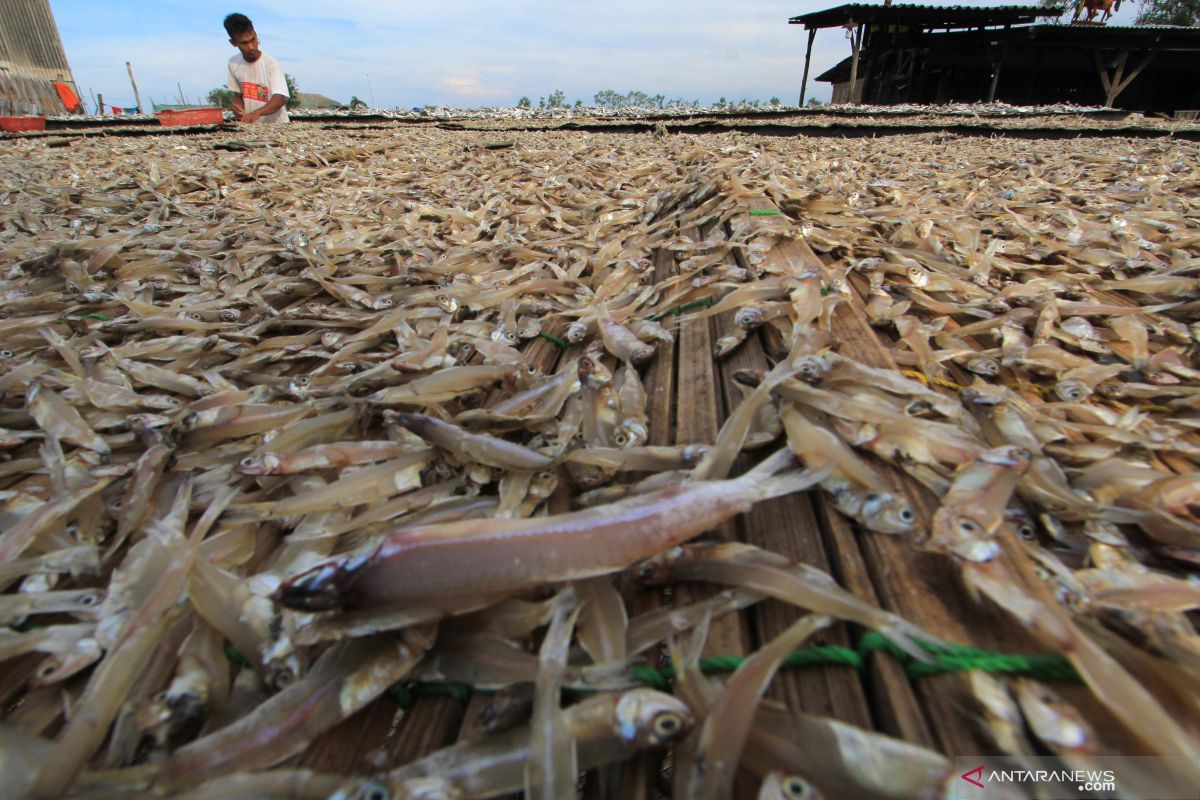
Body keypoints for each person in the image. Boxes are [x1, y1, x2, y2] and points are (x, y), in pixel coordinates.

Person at [224, 13, 290, 124]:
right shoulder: (233, 63)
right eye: (244, 43)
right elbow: (237, 95)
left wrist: (257, 113)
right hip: (252, 129)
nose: (251, 47)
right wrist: (236, 105)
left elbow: (279, 99)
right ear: (233, 43)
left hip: (277, 126)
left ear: (255, 34)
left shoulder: (271, 64)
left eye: (252, 40)